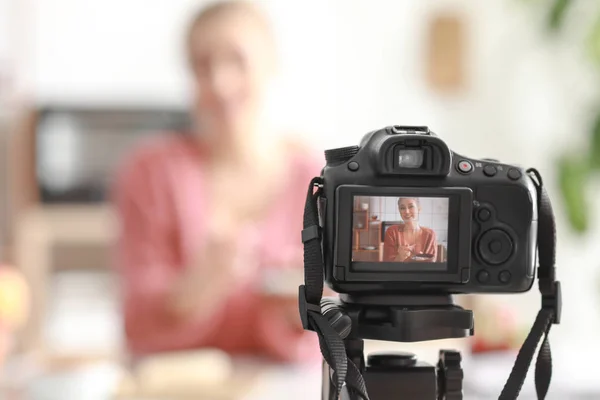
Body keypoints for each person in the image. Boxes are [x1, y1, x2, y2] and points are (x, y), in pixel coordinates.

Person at [111, 0, 320, 363]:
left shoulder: (314, 177)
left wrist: (303, 312)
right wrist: (195, 286)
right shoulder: (150, 172)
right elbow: (136, 322)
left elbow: (331, 333)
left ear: (272, 63)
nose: (220, 83)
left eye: (237, 60)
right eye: (202, 65)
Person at [382, 198, 438, 262]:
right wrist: (399, 258)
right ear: (399, 211)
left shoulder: (430, 234)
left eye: (411, 206)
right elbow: (387, 266)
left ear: (419, 209)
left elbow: (431, 266)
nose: (406, 211)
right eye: (402, 208)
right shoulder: (392, 232)